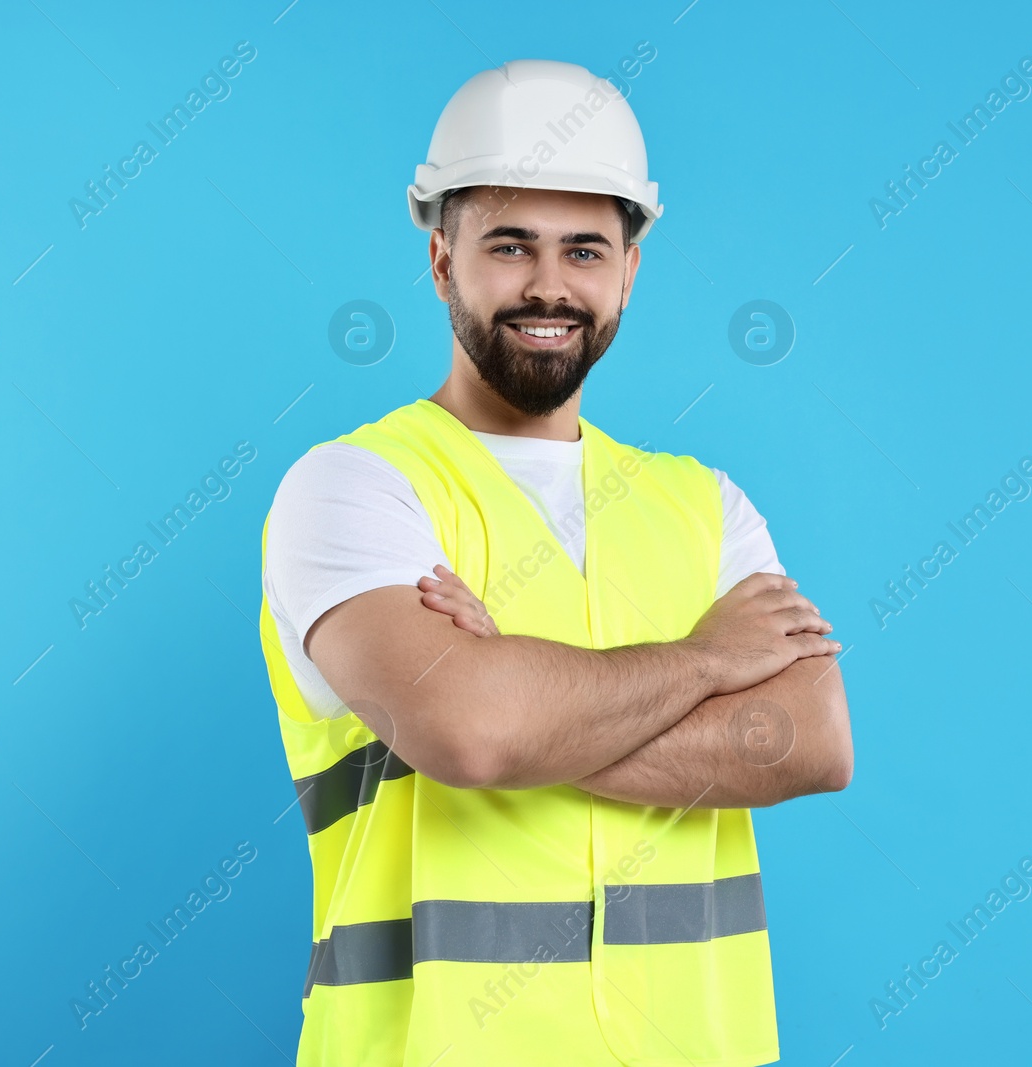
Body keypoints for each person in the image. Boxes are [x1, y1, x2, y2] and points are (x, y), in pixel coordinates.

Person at [258, 58, 853, 1066]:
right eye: (508, 245)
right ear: (442, 261)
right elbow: (473, 731)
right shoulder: (352, 488)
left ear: (629, 269)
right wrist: (705, 664)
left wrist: (527, 701)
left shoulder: (706, 505)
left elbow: (807, 743)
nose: (549, 284)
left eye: (584, 248)